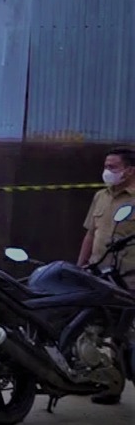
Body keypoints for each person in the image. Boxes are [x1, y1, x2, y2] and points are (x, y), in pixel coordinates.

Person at [76, 145, 135, 405]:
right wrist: (79, 267)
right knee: (97, 329)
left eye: (113, 167)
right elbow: (90, 233)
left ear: (130, 170)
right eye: (106, 166)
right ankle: (112, 385)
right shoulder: (101, 196)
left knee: (127, 333)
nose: (107, 172)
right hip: (98, 274)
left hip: (129, 278)